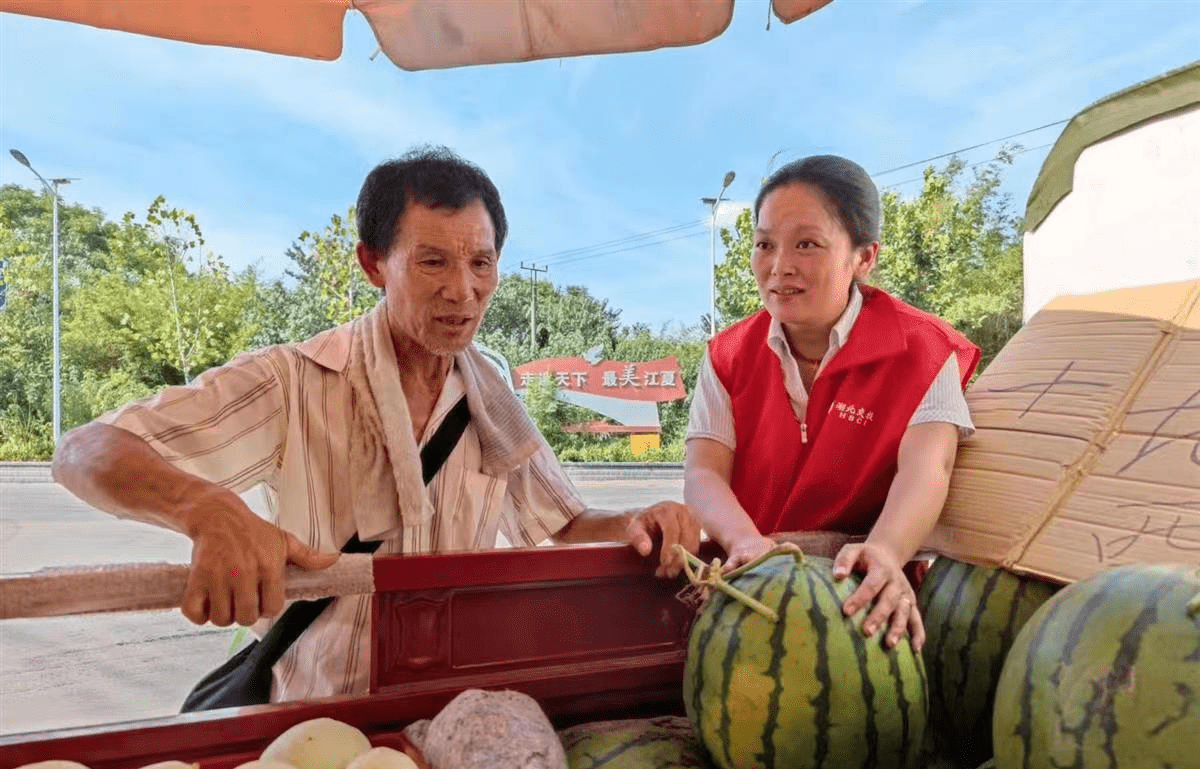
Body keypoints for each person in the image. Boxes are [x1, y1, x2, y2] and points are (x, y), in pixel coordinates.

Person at [52, 146, 700, 703]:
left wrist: (640, 523)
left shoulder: (492, 400)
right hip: (315, 719)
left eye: (481, 262)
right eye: (433, 262)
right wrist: (205, 509)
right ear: (373, 265)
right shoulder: (292, 382)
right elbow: (85, 450)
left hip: (453, 714)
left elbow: (565, 526)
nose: (464, 290)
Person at [684, 155, 980, 653]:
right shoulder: (727, 357)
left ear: (864, 257)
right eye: (764, 244)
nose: (779, 267)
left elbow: (930, 467)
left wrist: (886, 551)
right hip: (753, 589)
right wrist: (745, 544)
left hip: (861, 599)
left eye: (807, 244)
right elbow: (703, 472)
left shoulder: (926, 352)